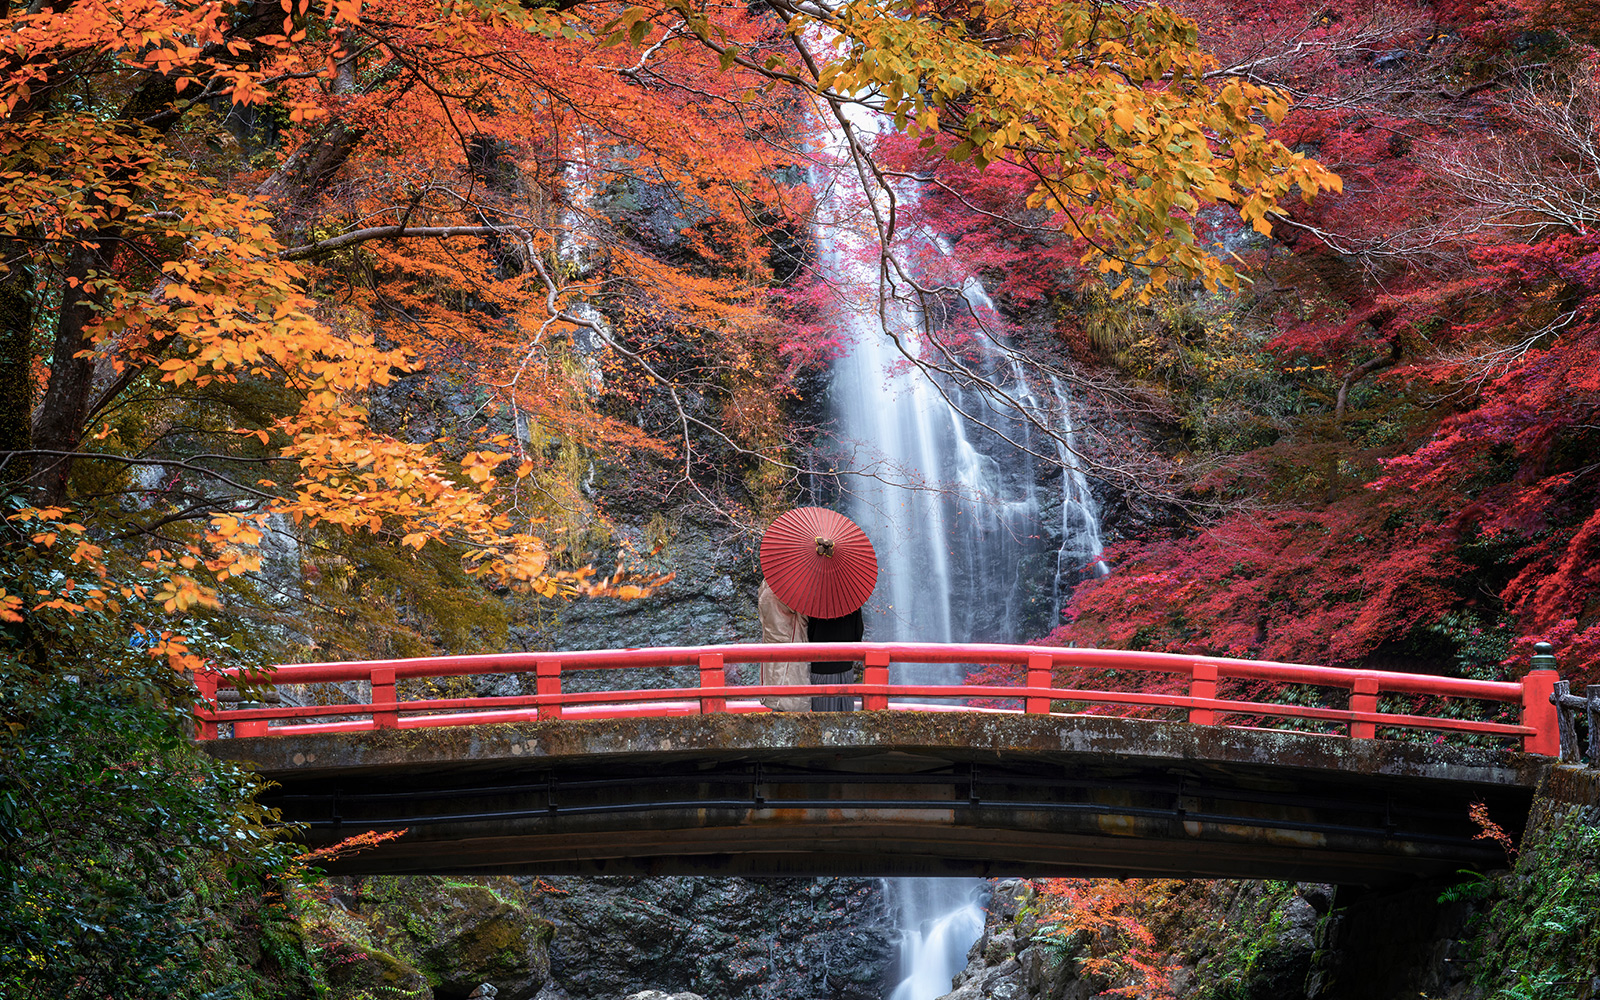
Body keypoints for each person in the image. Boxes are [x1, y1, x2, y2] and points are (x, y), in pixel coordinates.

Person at [757, 580, 810, 712]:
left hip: (772, 642)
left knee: (777, 691)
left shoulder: (766, 586)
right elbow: (805, 615)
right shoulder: (791, 590)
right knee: (790, 696)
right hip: (791, 643)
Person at [807, 606, 864, 711]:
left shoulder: (814, 603)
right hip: (845, 665)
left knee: (823, 718)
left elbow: (808, 634)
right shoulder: (851, 602)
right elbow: (858, 634)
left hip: (821, 667)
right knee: (846, 717)